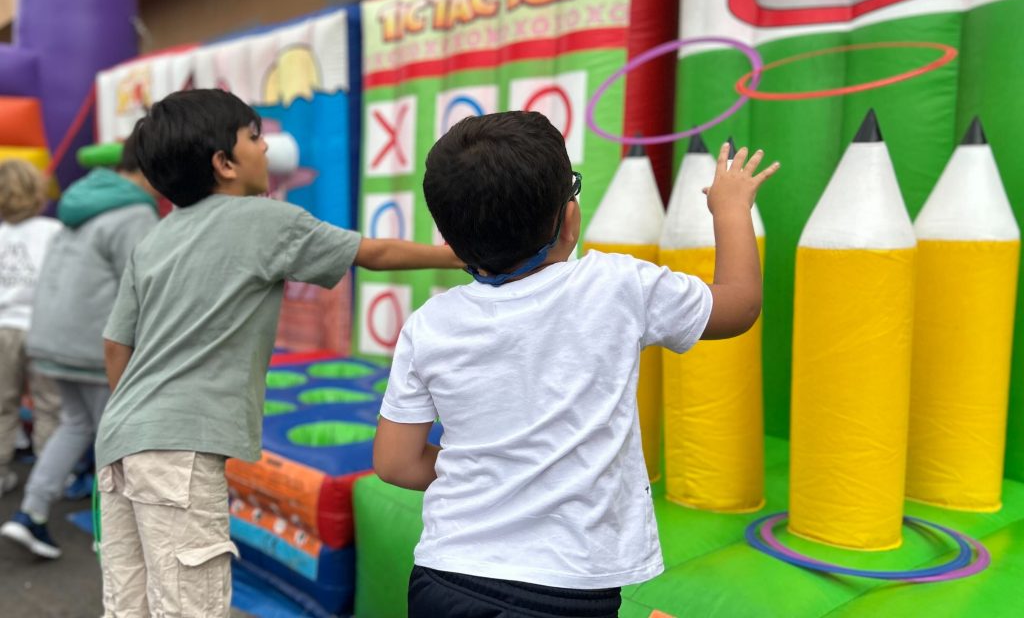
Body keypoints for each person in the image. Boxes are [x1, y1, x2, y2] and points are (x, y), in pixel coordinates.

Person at [373, 111, 779, 617]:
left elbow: (394, 463)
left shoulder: (428, 325)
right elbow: (738, 306)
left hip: (446, 578)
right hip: (566, 588)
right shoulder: (617, 286)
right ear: (569, 220)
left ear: (451, 242)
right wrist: (731, 208)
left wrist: (491, 474)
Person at [93, 89, 461, 618]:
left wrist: (137, 420)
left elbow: (115, 344)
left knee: (129, 604)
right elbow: (373, 253)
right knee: (190, 605)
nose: (267, 150)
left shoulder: (153, 240)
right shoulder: (265, 220)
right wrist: (459, 255)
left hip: (122, 439)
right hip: (180, 446)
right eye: (255, 138)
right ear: (224, 164)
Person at [1, 133, 158, 558]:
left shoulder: (79, 202)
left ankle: (30, 513)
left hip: (51, 338)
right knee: (120, 440)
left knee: (76, 425)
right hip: (94, 344)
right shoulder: (133, 212)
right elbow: (147, 284)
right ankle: (116, 534)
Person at [0, 160, 61, 497]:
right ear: (37, 192)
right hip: (41, 328)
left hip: (3, 328)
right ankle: (46, 479)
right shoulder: (52, 231)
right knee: (49, 404)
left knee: (2, 404)